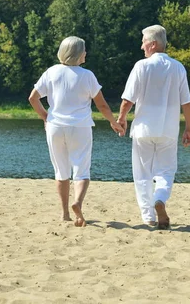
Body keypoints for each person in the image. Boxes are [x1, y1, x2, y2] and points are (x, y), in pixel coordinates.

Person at [29, 36, 124, 227]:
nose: (86, 53)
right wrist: (113, 122)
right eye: (84, 50)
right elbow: (102, 105)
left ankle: (65, 213)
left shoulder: (51, 72)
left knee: (61, 171)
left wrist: (45, 116)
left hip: (55, 127)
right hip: (80, 127)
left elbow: (33, 98)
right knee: (81, 170)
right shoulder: (87, 75)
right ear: (78, 54)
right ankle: (78, 203)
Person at [117, 25, 190, 229]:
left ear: (152, 44)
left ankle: (148, 216)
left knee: (142, 174)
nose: (141, 46)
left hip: (143, 129)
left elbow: (127, 99)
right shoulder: (178, 67)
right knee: (166, 171)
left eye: (143, 42)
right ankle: (160, 198)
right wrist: (189, 128)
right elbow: (186, 102)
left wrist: (122, 118)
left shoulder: (142, 66)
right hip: (168, 130)